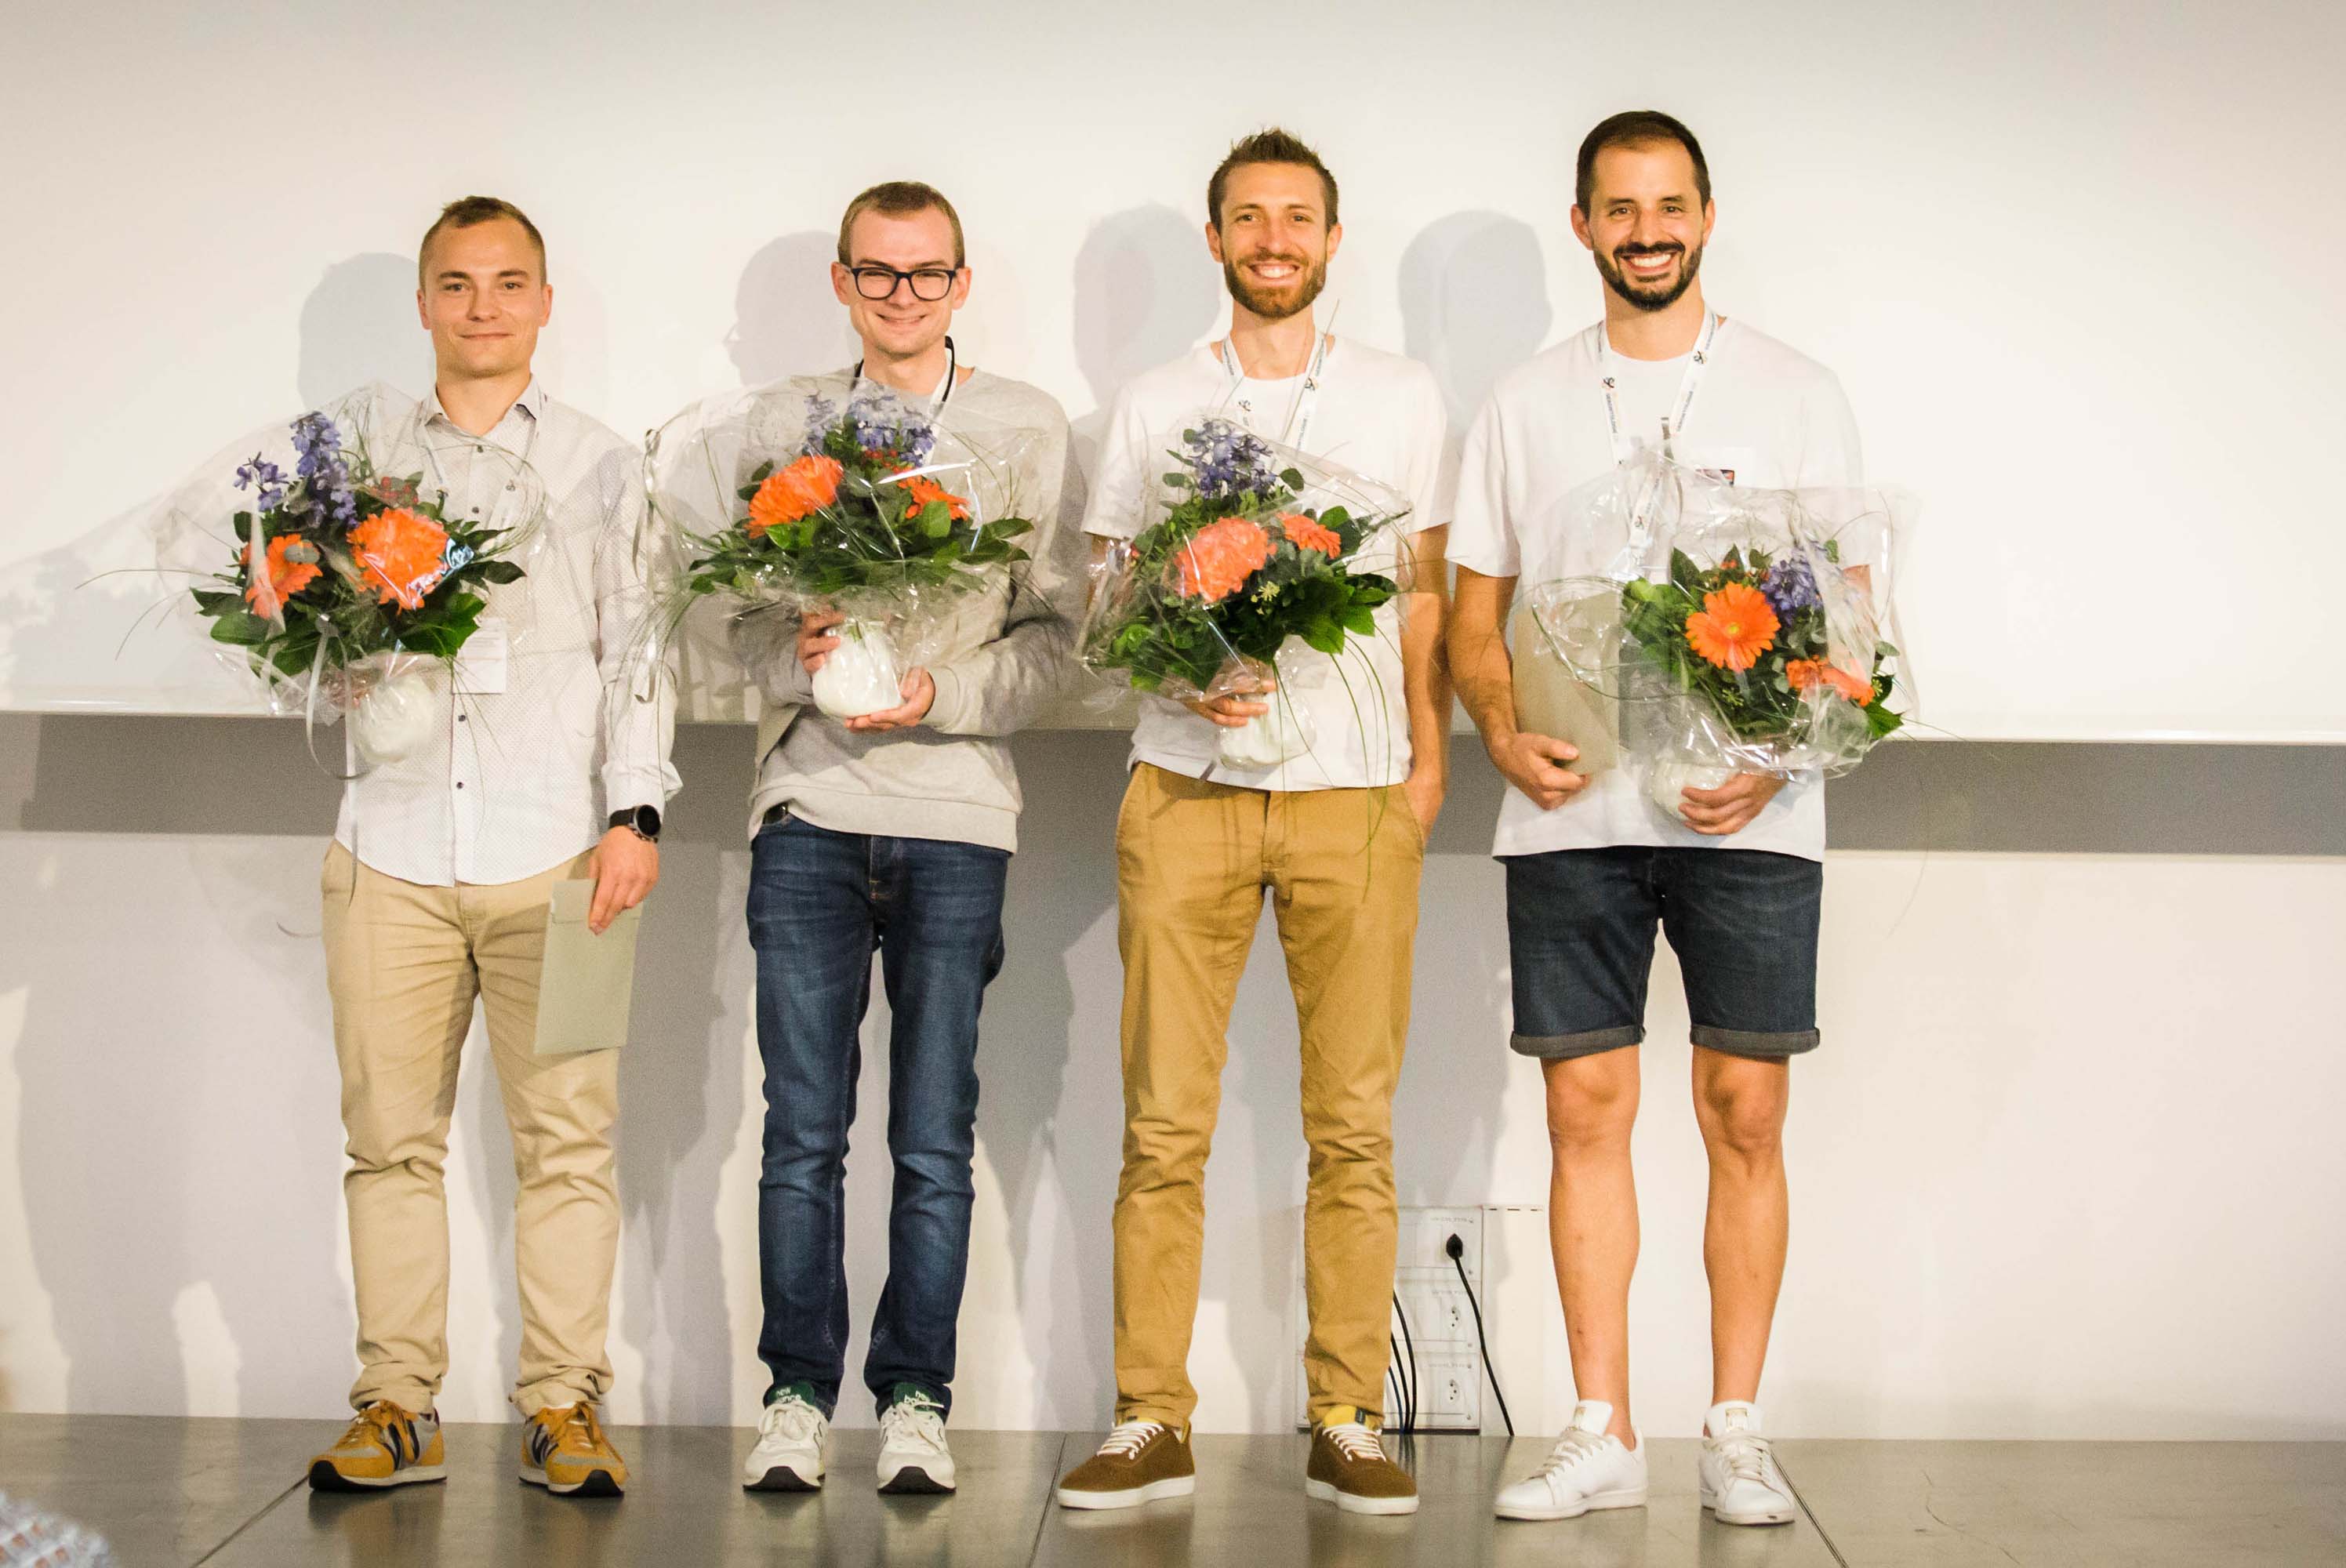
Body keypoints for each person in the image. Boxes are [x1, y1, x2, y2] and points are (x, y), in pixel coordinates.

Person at [1447, 111, 1864, 1528]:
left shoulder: (1796, 391)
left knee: (1746, 1111)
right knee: (1585, 1112)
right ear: (1583, 224)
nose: (1646, 231)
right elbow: (1475, 612)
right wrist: (1501, 731)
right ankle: (1601, 1427)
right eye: (1619, 208)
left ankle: (1735, 1430)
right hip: (1573, 815)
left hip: (1751, 815)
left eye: (1669, 205)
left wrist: (1780, 756)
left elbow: (1853, 621)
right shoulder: (1525, 403)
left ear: (1706, 216)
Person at [1051, 129, 1451, 1517]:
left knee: (1354, 1127)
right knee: (1164, 1124)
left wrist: (1425, 766)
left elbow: (1422, 590)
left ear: (1333, 241)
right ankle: (1148, 1416)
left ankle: (1346, 1413)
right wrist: (1181, 670)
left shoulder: (1402, 395)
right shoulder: (1157, 401)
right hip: (1186, 787)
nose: (1273, 239)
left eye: (1297, 217)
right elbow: (1109, 594)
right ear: (1214, 240)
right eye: (1248, 218)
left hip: (1355, 792)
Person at [306, 196, 677, 1498]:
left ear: (544, 303)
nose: (482, 307)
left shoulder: (603, 465)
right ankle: (397, 1405)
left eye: (508, 283)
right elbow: (303, 653)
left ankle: (563, 1405)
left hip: (563, 858)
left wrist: (636, 815)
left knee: (568, 1145)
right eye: (457, 284)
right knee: (388, 1144)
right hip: (388, 855)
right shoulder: (354, 471)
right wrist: (319, 653)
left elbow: (641, 651)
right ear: (424, 304)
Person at [732, 181, 1088, 1497]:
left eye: (925, 273)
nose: (901, 295)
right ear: (842, 282)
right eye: (877, 273)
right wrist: (805, 653)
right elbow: (729, 626)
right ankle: (792, 1397)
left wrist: (942, 691)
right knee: (800, 1132)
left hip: (956, 816)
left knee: (934, 1137)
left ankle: (917, 1400)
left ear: (960, 284)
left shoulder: (1025, 428)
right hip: (809, 812)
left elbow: (1059, 638)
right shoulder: (783, 426)